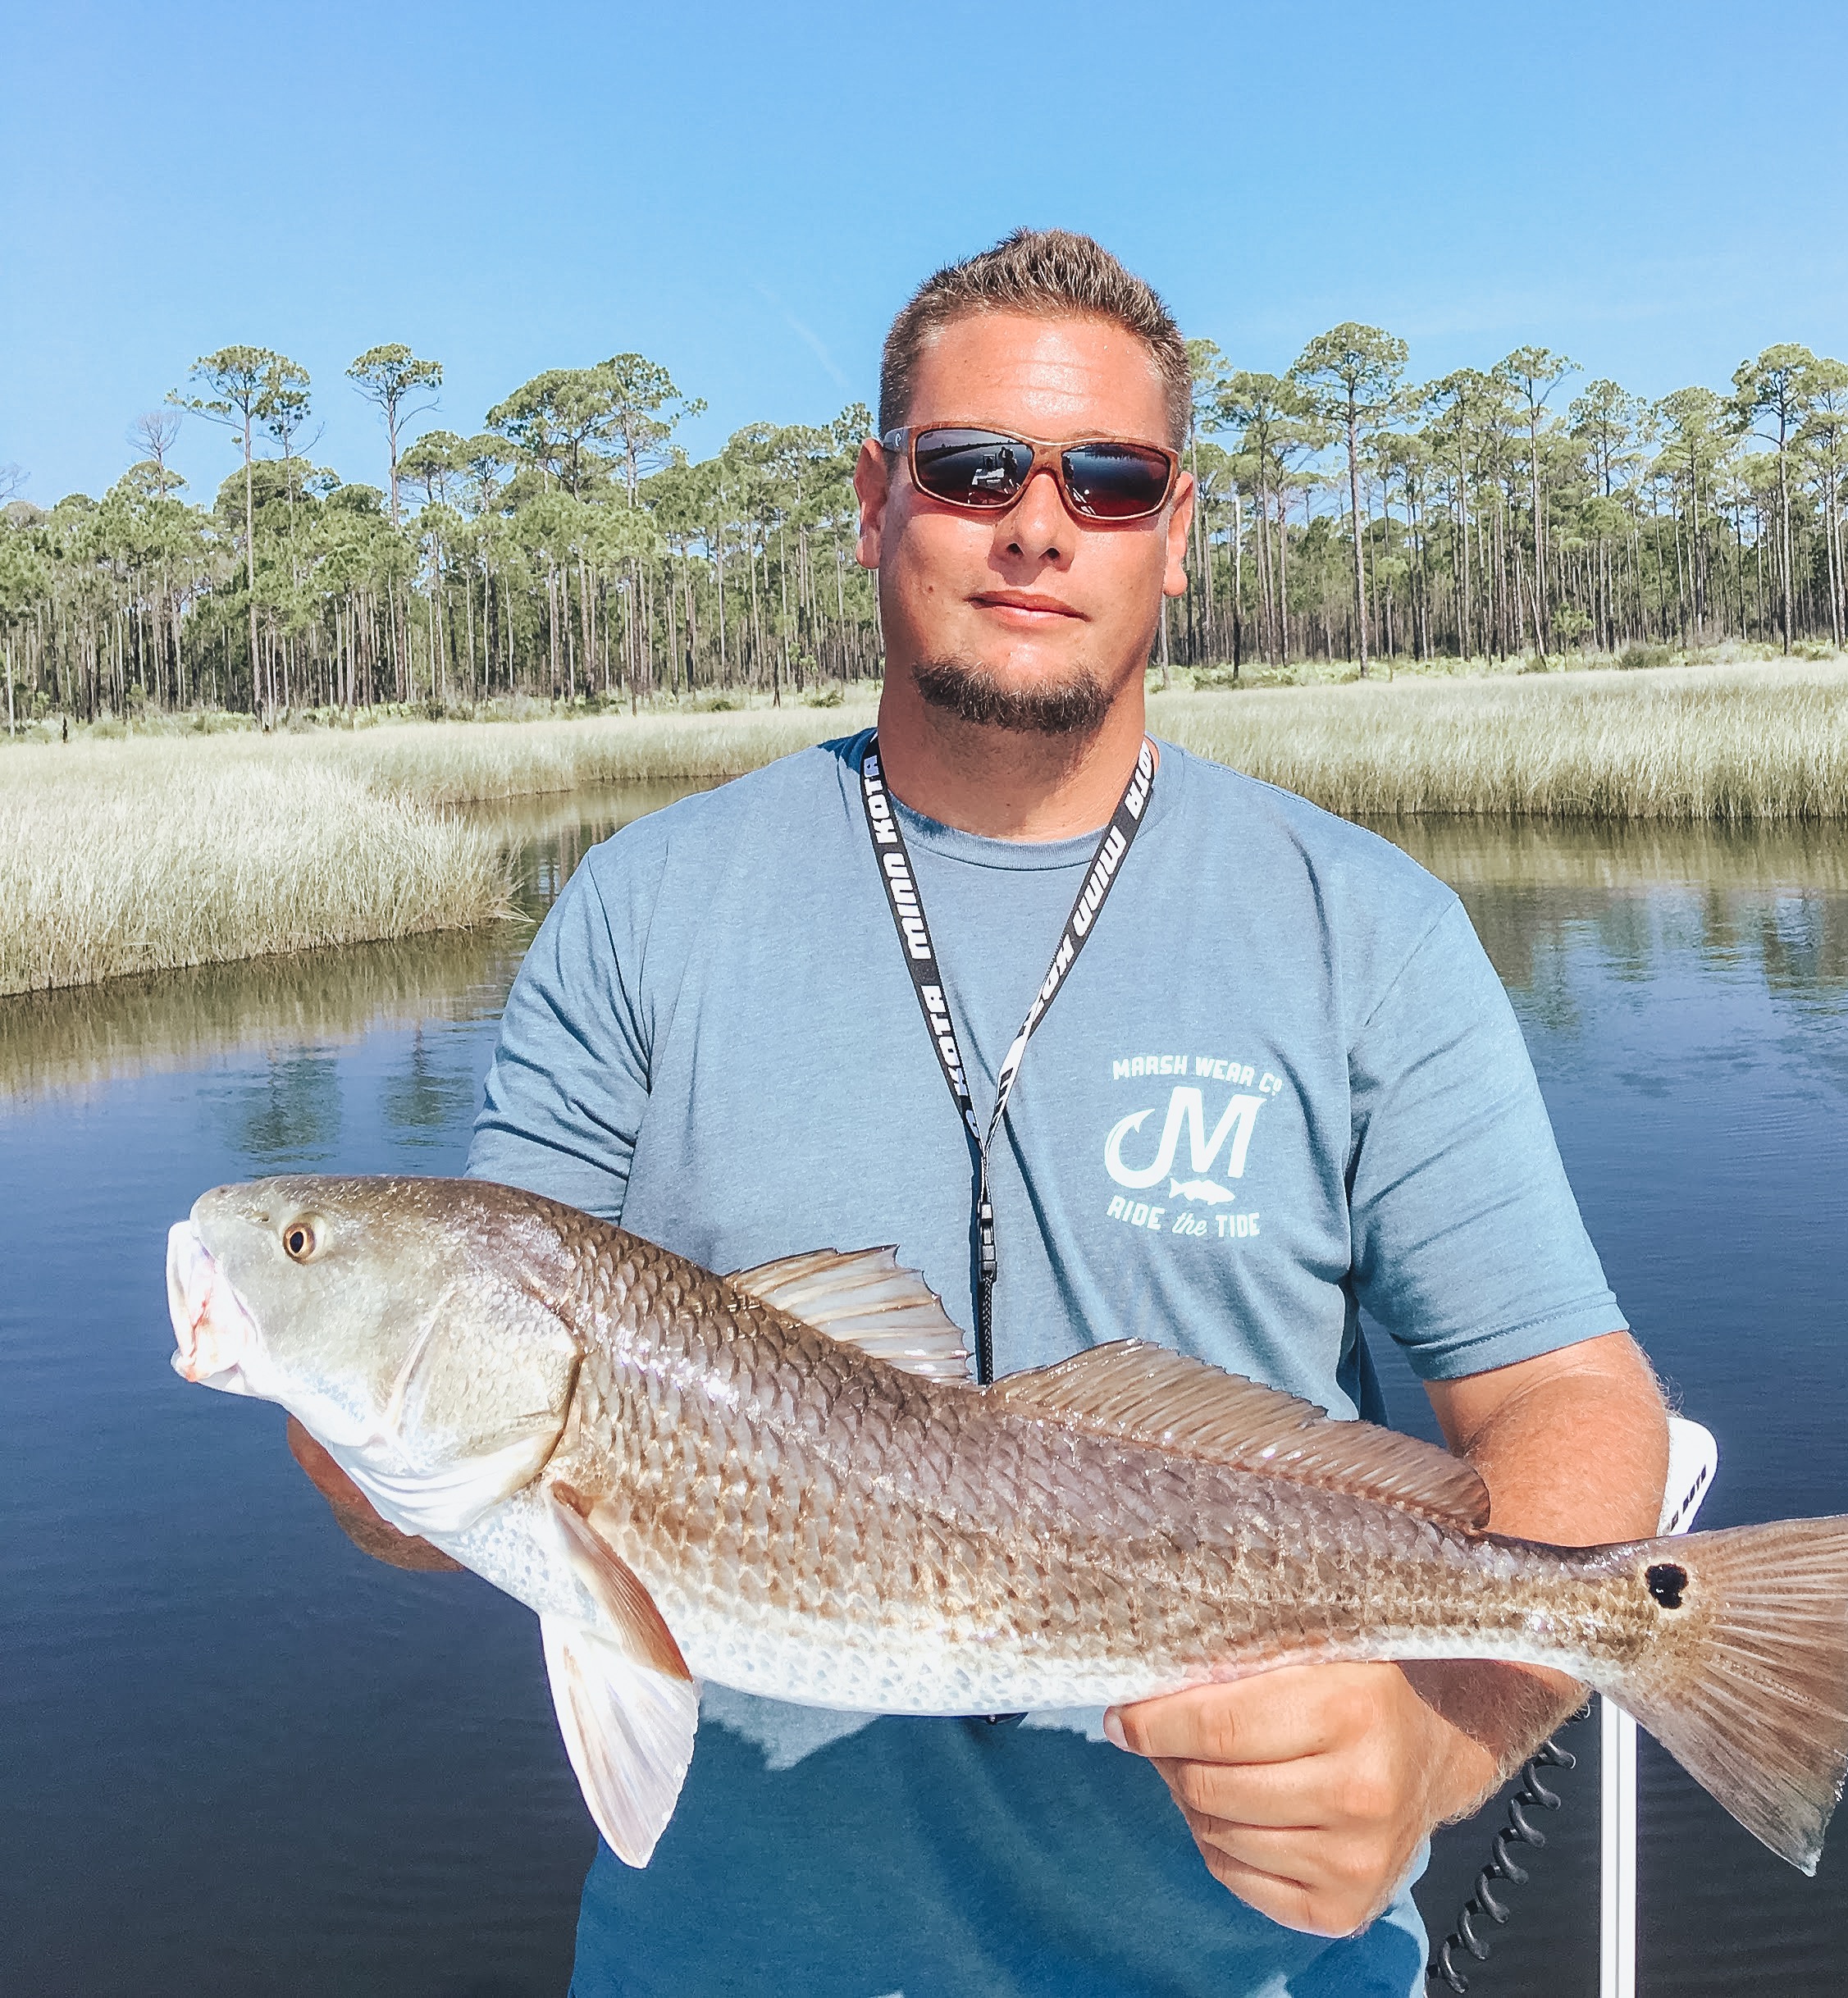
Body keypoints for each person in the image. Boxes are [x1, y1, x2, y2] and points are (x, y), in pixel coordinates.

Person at [315, 228, 1669, 1997]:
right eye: (973, 470)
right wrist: (344, 1385)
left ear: (1181, 536)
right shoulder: (640, 909)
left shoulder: (1369, 932)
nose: (1040, 525)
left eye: (1109, 481)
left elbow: (1570, 1395)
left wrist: (1442, 1746)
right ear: (877, 501)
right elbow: (450, 1410)